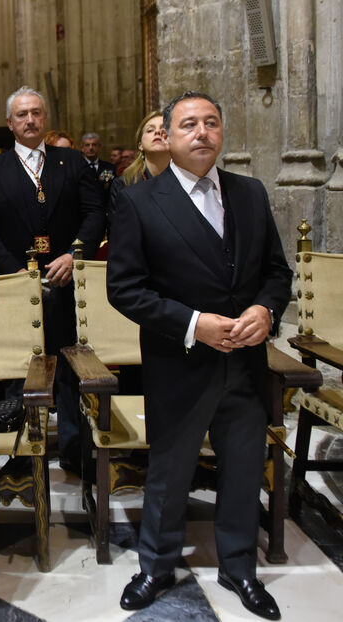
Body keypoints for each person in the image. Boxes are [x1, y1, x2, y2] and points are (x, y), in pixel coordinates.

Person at [108, 92, 291, 621]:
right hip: (181, 363)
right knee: (169, 471)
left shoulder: (250, 193)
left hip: (246, 364)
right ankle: (156, 567)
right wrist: (194, 324)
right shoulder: (141, 201)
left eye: (212, 122)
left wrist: (266, 309)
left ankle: (239, 567)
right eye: (189, 124)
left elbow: (277, 272)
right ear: (167, 135)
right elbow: (125, 288)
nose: (203, 132)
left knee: (241, 468)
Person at [0, 85, 105, 476]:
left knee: (69, 366)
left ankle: (77, 450)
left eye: (36, 113)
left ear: (45, 119)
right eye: (22, 115)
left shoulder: (72, 162)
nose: (30, 120)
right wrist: (19, 272)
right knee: (19, 370)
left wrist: (74, 253)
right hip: (14, 286)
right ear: (9, 123)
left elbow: (95, 214)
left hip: (66, 282)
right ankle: (22, 454)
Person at [109, 110, 170, 205]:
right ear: (140, 145)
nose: (158, 132)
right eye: (150, 130)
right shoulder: (124, 183)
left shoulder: (185, 180)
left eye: (164, 129)